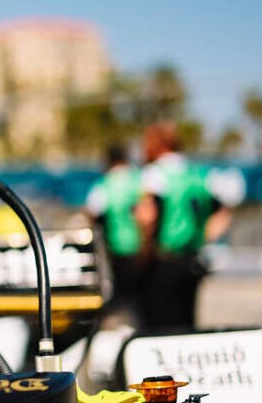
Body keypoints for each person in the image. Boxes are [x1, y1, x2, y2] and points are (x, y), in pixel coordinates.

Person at [138, 121, 243, 329]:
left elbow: (148, 216)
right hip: (192, 259)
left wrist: (144, 250)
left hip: (164, 259)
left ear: (158, 145)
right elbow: (225, 209)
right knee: (186, 321)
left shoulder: (155, 174)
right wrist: (205, 235)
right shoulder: (199, 173)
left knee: (160, 323)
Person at [84, 144, 146, 315]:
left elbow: (92, 213)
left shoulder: (104, 185)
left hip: (117, 248)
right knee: (140, 298)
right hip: (142, 247)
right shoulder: (139, 180)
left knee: (120, 296)